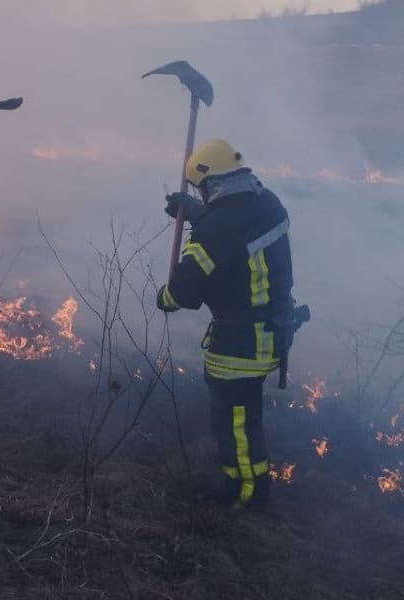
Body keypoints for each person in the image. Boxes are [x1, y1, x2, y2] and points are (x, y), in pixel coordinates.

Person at [155, 139, 296, 508]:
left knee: (236, 425)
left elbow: (182, 293)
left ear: (208, 183)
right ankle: (243, 486)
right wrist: (199, 213)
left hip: (240, 344)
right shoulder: (267, 202)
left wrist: (164, 297)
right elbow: (239, 229)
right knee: (242, 418)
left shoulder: (213, 233)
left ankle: (247, 496)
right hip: (272, 331)